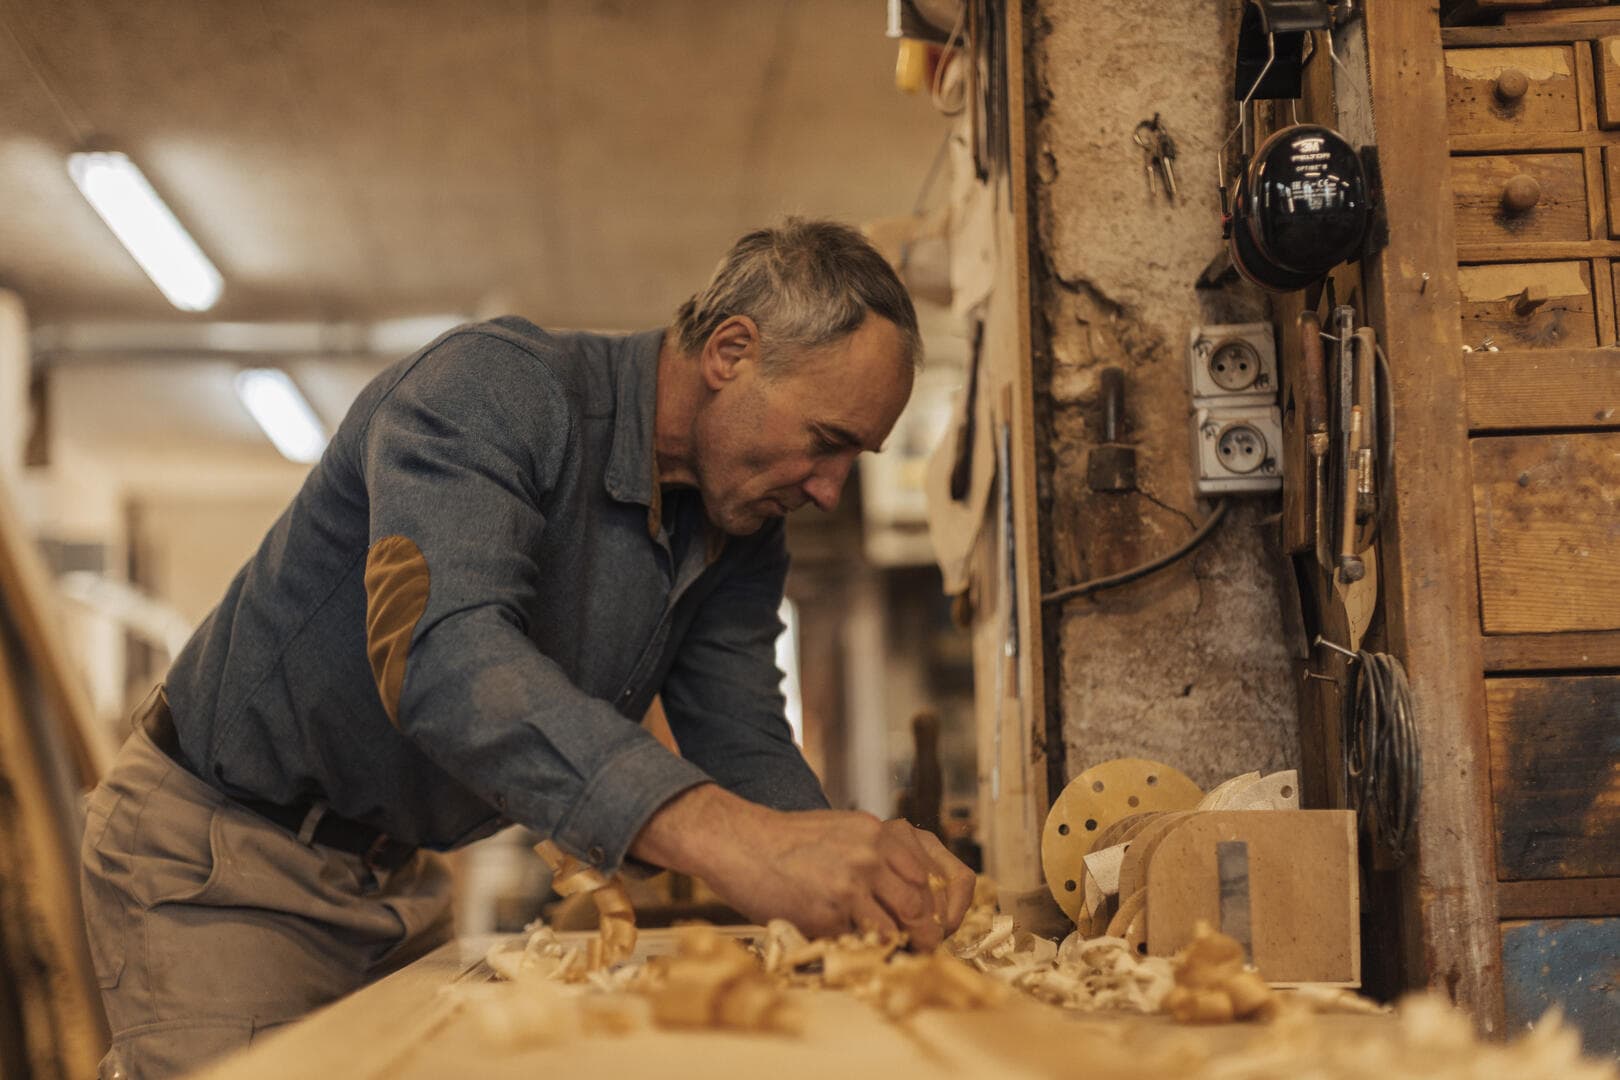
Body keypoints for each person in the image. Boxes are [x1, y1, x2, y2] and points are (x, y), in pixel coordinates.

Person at [80, 218, 977, 1079]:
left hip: (391, 869)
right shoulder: (491, 392)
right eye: (826, 443)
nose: (830, 489)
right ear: (730, 352)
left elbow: (741, 737)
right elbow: (443, 660)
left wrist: (853, 876)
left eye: (853, 457)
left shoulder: (738, 524)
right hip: (224, 854)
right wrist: (736, 841)